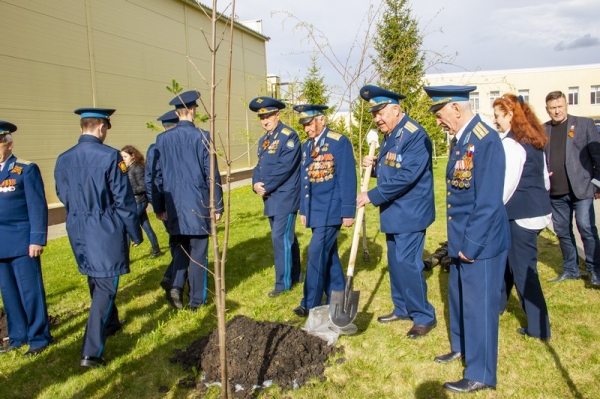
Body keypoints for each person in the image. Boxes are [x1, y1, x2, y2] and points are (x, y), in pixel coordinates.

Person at [424, 85, 510, 393]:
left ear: (456, 109)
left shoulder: (485, 142)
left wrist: (470, 246)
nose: (438, 121)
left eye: (440, 114)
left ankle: (481, 373)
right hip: (462, 241)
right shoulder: (462, 141)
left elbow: (487, 201)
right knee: (460, 300)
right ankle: (462, 349)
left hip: (481, 244)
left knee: (479, 308)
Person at [54, 108, 143, 368]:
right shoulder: (111, 156)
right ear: (101, 128)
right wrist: (134, 232)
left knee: (96, 277)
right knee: (105, 285)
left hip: (77, 226)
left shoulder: (63, 158)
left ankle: (111, 323)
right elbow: (124, 200)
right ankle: (90, 351)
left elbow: (62, 193)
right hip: (103, 226)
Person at [356, 85, 437, 338]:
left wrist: (372, 195)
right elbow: (392, 167)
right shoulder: (391, 134)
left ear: (395, 109)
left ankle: (423, 315)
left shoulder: (415, 134)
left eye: (380, 113)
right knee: (395, 261)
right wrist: (376, 165)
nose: (377, 119)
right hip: (394, 210)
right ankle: (402, 307)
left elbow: (407, 175)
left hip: (411, 211)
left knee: (408, 262)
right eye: (374, 114)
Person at [151, 90, 223, 310]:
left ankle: (176, 286)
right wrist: (217, 205)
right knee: (198, 254)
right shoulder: (203, 136)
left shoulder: (162, 139)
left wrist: (159, 206)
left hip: (174, 206)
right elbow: (212, 173)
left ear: (176, 112)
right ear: (192, 110)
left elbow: (156, 176)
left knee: (181, 248)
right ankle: (196, 300)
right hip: (198, 204)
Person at [493, 94, 552, 340]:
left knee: (524, 271)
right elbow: (546, 180)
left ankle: (540, 329)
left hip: (521, 216)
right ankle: (496, 306)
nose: (495, 121)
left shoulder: (512, 144)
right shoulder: (533, 140)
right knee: (509, 263)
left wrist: (493, 211)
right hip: (537, 210)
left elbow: (506, 186)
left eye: (497, 116)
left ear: (509, 115)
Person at [291, 104, 356, 317]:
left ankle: (310, 302)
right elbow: (305, 180)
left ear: (322, 120)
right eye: (304, 125)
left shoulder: (339, 142)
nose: (307, 128)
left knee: (316, 253)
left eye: (310, 123)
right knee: (330, 255)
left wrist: (348, 211)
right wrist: (303, 209)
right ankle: (336, 296)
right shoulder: (306, 146)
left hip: (332, 209)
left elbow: (347, 177)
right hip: (314, 210)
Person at [0, 121, 53, 357]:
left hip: (22, 241)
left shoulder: (25, 169)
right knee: (9, 293)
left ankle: (39, 337)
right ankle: (18, 336)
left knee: (30, 292)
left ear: (9, 144)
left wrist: (37, 238)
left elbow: (37, 206)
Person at [543, 90, 600, 287]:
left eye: (560, 106)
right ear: (547, 110)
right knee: (563, 232)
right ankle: (571, 270)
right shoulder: (543, 130)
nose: (557, 111)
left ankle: (595, 270)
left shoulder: (584, 124)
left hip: (582, 189)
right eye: (553, 108)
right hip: (556, 192)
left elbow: (597, 156)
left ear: (566, 105)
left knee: (585, 227)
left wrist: (597, 183)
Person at [249, 96, 302, 297]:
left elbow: (284, 167)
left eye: (268, 116)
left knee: (280, 239)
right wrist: (255, 184)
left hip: (285, 197)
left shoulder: (289, 136)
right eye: (261, 117)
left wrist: (267, 186)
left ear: (277, 115)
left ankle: (283, 284)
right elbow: (259, 166)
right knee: (287, 238)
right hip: (271, 197)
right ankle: (296, 275)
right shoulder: (264, 140)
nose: (265, 120)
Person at [146, 110, 179, 295]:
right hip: (180, 203)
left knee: (175, 241)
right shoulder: (175, 146)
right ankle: (173, 277)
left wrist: (157, 207)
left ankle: (175, 278)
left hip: (165, 204)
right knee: (184, 243)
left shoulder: (155, 147)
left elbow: (151, 179)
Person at [121, 145, 162, 258]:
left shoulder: (137, 168)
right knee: (146, 226)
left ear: (133, 156)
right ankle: (156, 249)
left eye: (125, 156)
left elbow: (143, 186)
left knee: (128, 224)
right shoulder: (128, 169)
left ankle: (127, 254)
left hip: (139, 201)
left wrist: (129, 191)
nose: (123, 159)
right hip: (135, 201)